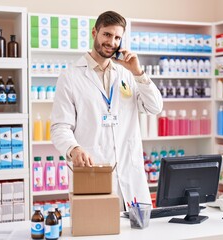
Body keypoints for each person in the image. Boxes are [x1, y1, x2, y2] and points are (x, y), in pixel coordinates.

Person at [51, 10, 163, 209]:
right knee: (97, 229)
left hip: (130, 172)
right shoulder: (70, 76)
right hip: (94, 171)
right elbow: (60, 126)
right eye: (107, 34)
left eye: (117, 37)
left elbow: (154, 107)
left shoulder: (127, 73)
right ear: (95, 32)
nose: (112, 42)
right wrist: (73, 148)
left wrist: (138, 72)